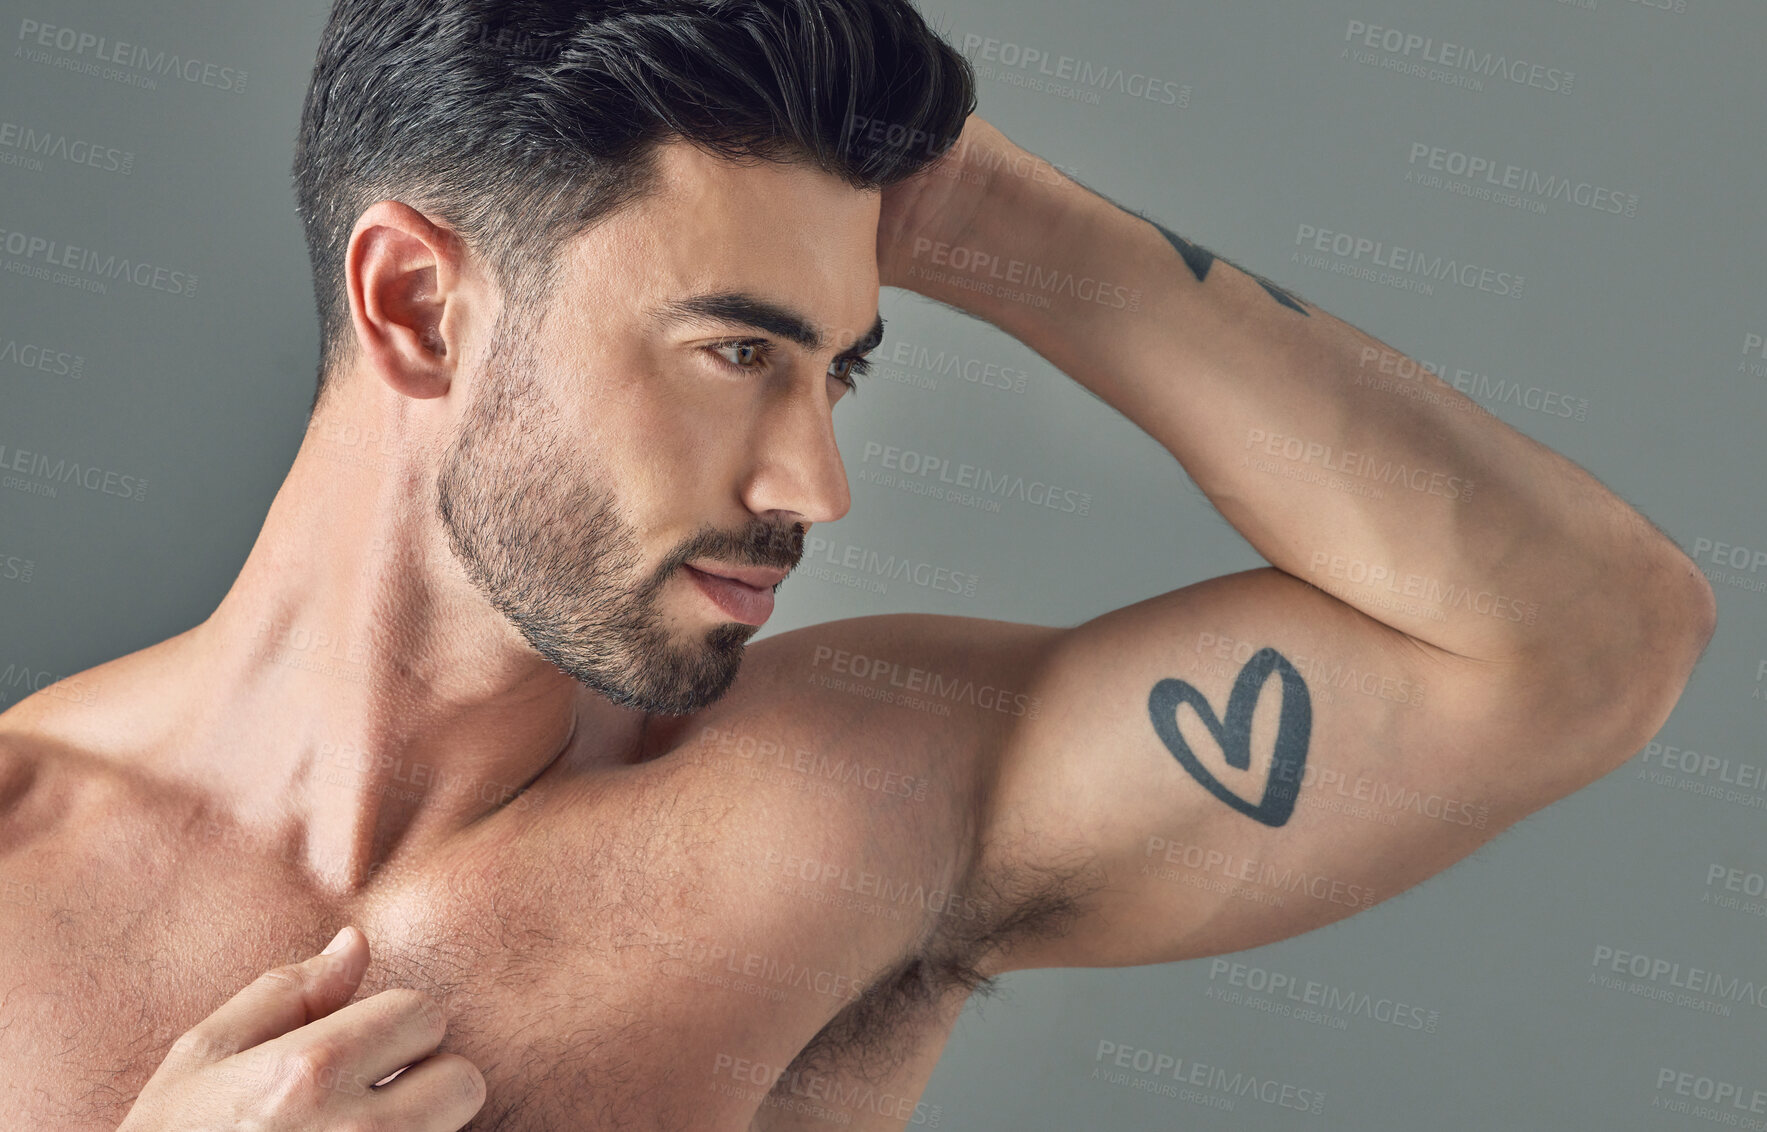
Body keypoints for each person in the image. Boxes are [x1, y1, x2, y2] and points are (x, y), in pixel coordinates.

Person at [0, 1, 1715, 1128]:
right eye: (738, 352)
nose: (815, 481)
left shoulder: (855, 806)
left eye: (842, 369)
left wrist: (987, 220)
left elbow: (1576, 645)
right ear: (419, 307)